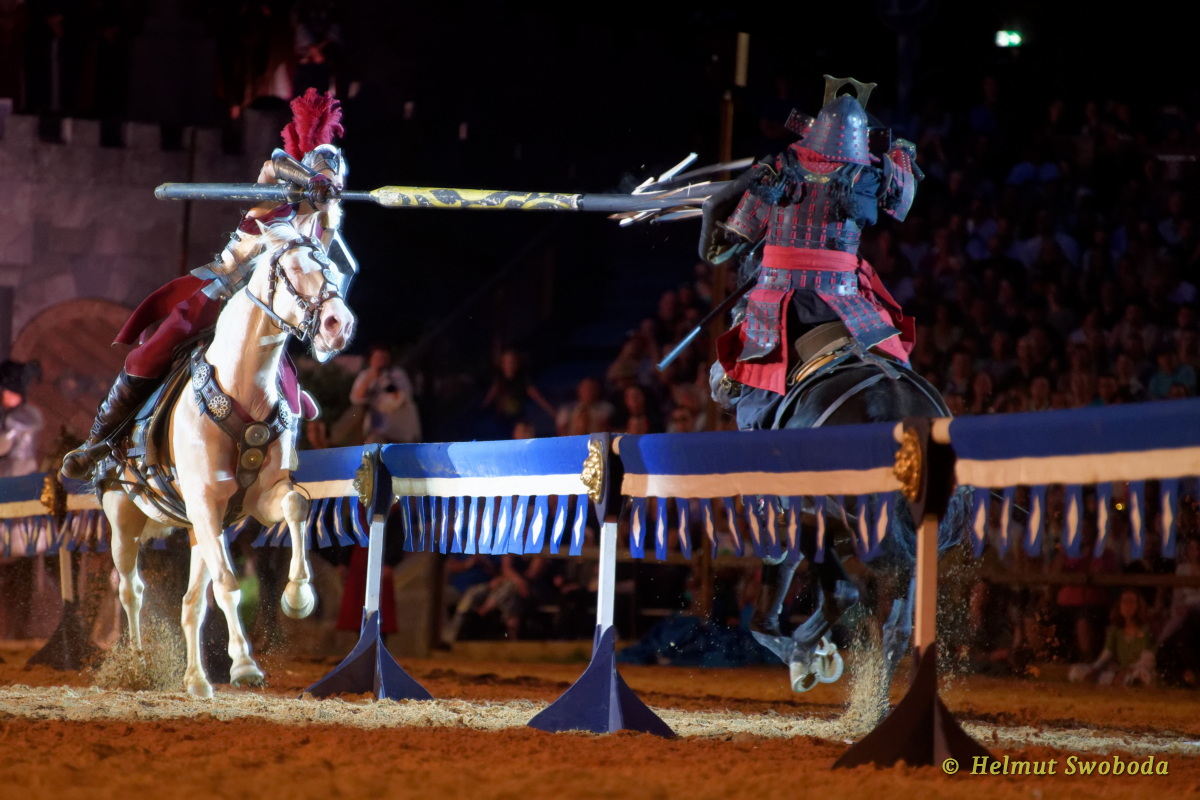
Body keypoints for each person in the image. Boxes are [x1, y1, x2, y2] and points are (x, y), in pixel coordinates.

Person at [61, 88, 352, 479]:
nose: (329, 191)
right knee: (148, 356)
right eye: (324, 183)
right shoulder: (273, 202)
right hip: (219, 294)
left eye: (335, 184)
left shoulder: (318, 236)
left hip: (264, 318)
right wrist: (309, 179)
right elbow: (273, 163)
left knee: (287, 391)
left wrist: (331, 221)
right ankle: (98, 441)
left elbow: (323, 284)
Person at [700, 75, 922, 430]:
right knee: (897, 363)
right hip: (845, 298)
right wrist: (893, 147)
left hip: (780, 298)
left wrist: (716, 213)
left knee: (745, 389)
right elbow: (903, 189)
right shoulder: (869, 174)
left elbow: (730, 242)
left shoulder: (777, 171)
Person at [1068, 589, 1156, 687]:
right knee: (1077, 670)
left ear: (1139, 606)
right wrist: (1095, 670)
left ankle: (1128, 681)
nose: (1127, 606)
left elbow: (1147, 660)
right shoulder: (1115, 630)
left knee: (1141, 674)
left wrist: (1128, 670)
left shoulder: (1145, 630)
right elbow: (1106, 655)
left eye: (1131, 602)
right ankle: (1118, 681)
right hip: (1118, 671)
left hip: (1136, 670)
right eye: (1124, 602)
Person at [350, 345, 421, 444]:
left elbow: (399, 397)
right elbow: (356, 397)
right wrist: (370, 377)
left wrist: (384, 380)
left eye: (383, 358)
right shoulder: (365, 375)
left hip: (401, 430)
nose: (381, 361)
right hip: (378, 430)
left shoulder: (398, 374)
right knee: (372, 445)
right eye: (377, 358)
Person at [0, 360, 43, 478]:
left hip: (15, 471)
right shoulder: (7, 413)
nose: (7, 397)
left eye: (10, 394)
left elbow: (4, 445)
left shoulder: (20, 419)